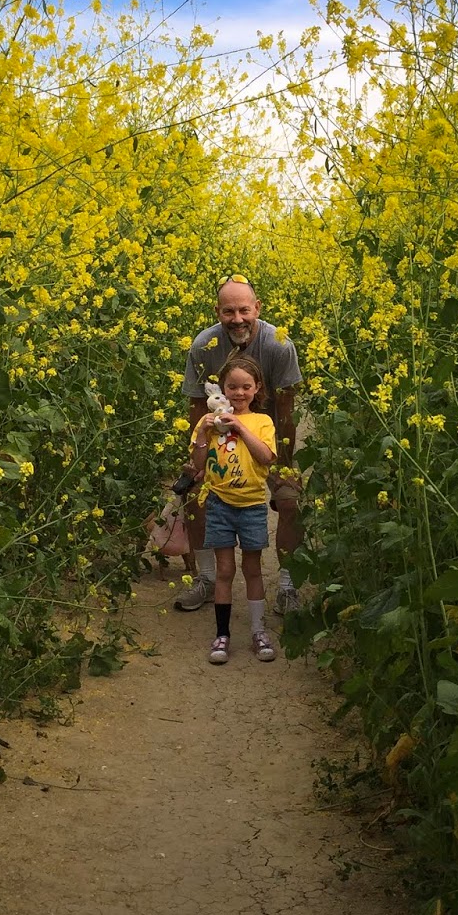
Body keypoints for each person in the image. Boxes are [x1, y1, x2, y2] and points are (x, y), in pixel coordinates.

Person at [176, 273, 303, 615]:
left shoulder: (278, 345)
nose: (237, 319)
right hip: (220, 439)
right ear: (217, 311)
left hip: (266, 436)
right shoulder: (204, 346)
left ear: (257, 308)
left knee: (290, 502)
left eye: (244, 311)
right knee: (194, 497)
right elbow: (196, 407)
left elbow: (287, 411)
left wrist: (284, 463)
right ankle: (205, 578)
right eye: (228, 312)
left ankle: (288, 585)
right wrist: (196, 462)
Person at [190, 355, 278, 664]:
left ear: (257, 389)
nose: (238, 394)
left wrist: (239, 425)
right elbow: (198, 467)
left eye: (245, 387)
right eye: (231, 388)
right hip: (219, 505)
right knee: (225, 570)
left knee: (252, 569)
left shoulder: (262, 421)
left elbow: (266, 457)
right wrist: (203, 431)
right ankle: (222, 634)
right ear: (220, 390)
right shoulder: (210, 424)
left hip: (252, 505)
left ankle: (258, 630)